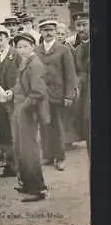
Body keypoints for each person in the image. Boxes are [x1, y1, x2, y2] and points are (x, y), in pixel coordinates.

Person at [6, 32, 49, 202]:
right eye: (19, 47)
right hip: (20, 110)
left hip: (28, 112)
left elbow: (38, 92)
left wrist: (23, 108)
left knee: (29, 150)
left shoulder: (35, 64)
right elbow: (20, 85)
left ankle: (38, 189)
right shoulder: (26, 62)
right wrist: (11, 93)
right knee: (21, 148)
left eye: (25, 46)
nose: (22, 50)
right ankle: (27, 183)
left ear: (32, 47)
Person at [36, 19, 78, 171]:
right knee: (44, 125)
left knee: (57, 127)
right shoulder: (36, 50)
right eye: (45, 30)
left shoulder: (63, 50)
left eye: (51, 30)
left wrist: (68, 95)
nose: (48, 33)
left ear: (55, 32)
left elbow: (71, 75)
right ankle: (47, 156)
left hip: (57, 95)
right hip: (41, 96)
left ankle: (60, 158)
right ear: (40, 32)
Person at [0, 26, 21, 178]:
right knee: (4, 134)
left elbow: (23, 76)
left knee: (16, 132)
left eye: (1, 39)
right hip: (0, 102)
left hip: (15, 101)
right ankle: (10, 166)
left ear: (8, 39)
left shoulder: (16, 55)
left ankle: (21, 166)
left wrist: (14, 91)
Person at [56, 22, 80, 146]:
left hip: (67, 83)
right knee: (58, 114)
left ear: (66, 35)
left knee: (68, 113)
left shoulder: (70, 48)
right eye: (58, 33)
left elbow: (75, 68)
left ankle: (68, 140)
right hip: (56, 85)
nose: (60, 36)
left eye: (62, 34)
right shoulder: (52, 48)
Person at [73, 12, 90, 155]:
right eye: (78, 26)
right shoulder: (77, 49)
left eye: (84, 25)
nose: (81, 29)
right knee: (86, 121)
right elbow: (78, 71)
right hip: (84, 93)